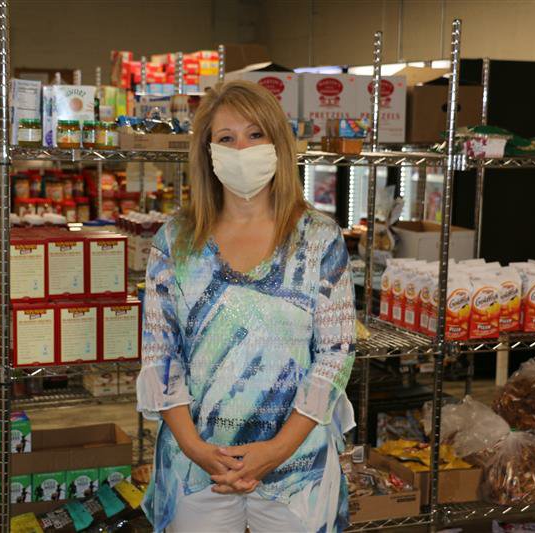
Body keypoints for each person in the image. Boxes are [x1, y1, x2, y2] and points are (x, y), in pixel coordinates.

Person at [136, 80, 356, 533]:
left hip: (298, 468)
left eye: (256, 134)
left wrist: (276, 450)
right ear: (208, 152)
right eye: (226, 138)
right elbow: (160, 356)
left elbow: (335, 355)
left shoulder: (318, 238)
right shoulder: (174, 241)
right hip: (198, 468)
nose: (242, 148)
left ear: (278, 144)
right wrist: (198, 449)